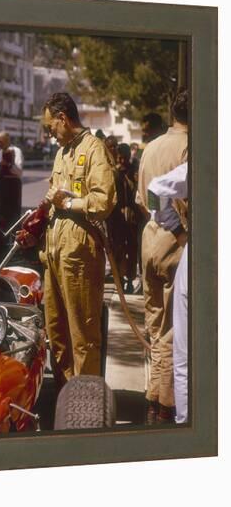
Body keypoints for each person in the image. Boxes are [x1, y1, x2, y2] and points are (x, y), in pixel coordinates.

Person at [22, 92, 116, 387]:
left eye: (51, 128)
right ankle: (66, 395)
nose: (51, 135)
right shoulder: (62, 153)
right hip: (53, 256)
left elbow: (104, 201)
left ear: (63, 118)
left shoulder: (94, 149)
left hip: (79, 257)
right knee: (56, 331)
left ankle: (85, 403)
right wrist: (35, 225)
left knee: (83, 334)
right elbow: (52, 196)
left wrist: (70, 204)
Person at [136, 89, 188, 424]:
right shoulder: (188, 148)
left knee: (155, 324)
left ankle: (154, 396)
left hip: (149, 239)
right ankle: (167, 405)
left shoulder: (151, 147)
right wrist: (180, 230)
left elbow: (145, 198)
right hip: (175, 241)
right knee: (172, 328)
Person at [109, 142, 140, 293]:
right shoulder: (113, 172)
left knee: (132, 249)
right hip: (117, 217)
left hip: (132, 216)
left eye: (125, 158)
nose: (122, 161)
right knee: (118, 249)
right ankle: (119, 279)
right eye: (120, 158)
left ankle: (129, 279)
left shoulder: (134, 171)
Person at [0, 131, 23, 223]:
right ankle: (2, 232)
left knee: (14, 210)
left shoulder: (16, 151)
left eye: (1, 141)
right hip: (2, 183)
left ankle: (14, 232)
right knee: (2, 210)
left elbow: (19, 171)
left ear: (7, 140)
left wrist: (8, 164)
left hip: (13, 184)